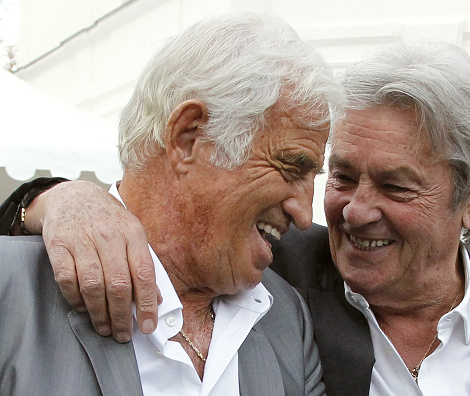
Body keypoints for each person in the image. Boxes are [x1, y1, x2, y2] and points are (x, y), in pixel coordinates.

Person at [3, 40, 470, 395]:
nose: (352, 211)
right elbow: (171, 218)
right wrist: (54, 198)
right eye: (341, 175)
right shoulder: (279, 272)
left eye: (395, 185)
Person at [0, 12, 345, 395]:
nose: (303, 213)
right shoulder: (13, 289)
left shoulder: (285, 317)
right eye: (291, 167)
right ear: (188, 137)